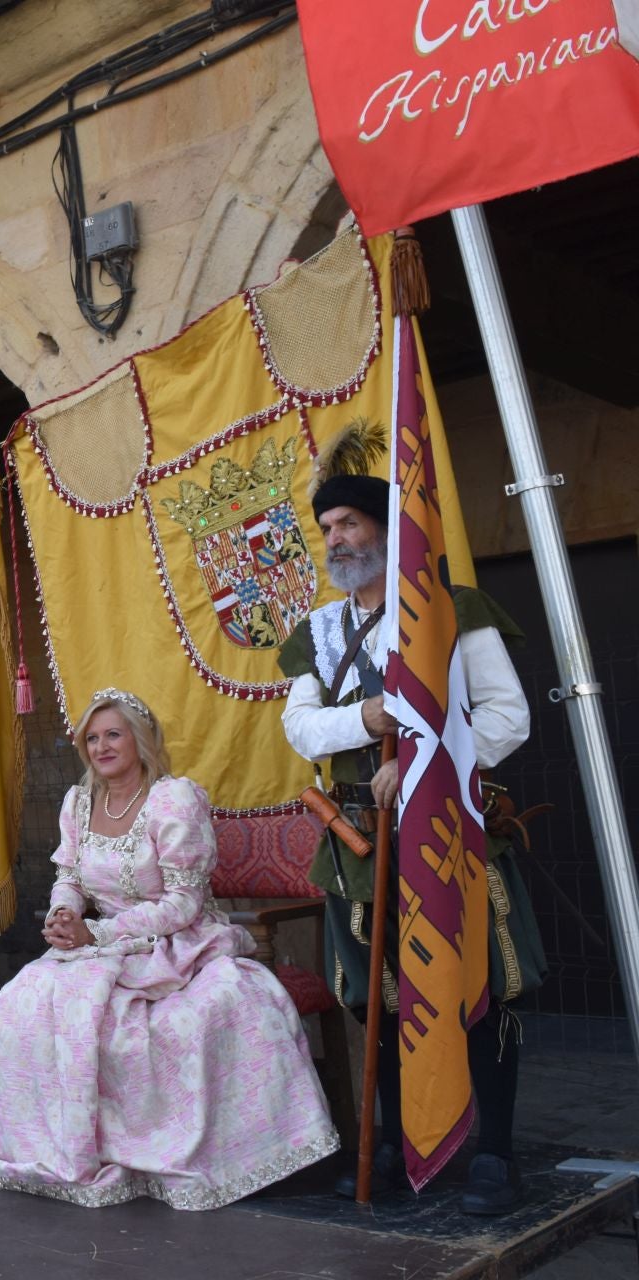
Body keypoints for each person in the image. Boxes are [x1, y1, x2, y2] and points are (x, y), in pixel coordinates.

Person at [279, 470, 541, 1215]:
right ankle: (394, 1144)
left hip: (450, 832)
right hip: (362, 846)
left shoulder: (453, 610)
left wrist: (426, 770)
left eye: (351, 524)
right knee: (385, 1003)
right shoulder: (320, 633)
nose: (338, 539)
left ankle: (495, 1155)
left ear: (389, 531)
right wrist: (365, 719)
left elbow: (508, 715)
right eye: (329, 527)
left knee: (478, 991)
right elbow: (300, 727)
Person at [0, 689, 338, 1209]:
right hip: (103, 945)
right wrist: (65, 912)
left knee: (193, 1018)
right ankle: (61, 1147)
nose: (101, 746)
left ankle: (183, 1151)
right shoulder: (78, 802)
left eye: (113, 734)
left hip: (180, 942)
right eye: (92, 738)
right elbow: (69, 876)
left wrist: (96, 933)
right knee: (22, 1002)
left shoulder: (173, 799)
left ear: (140, 740)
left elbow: (183, 904)